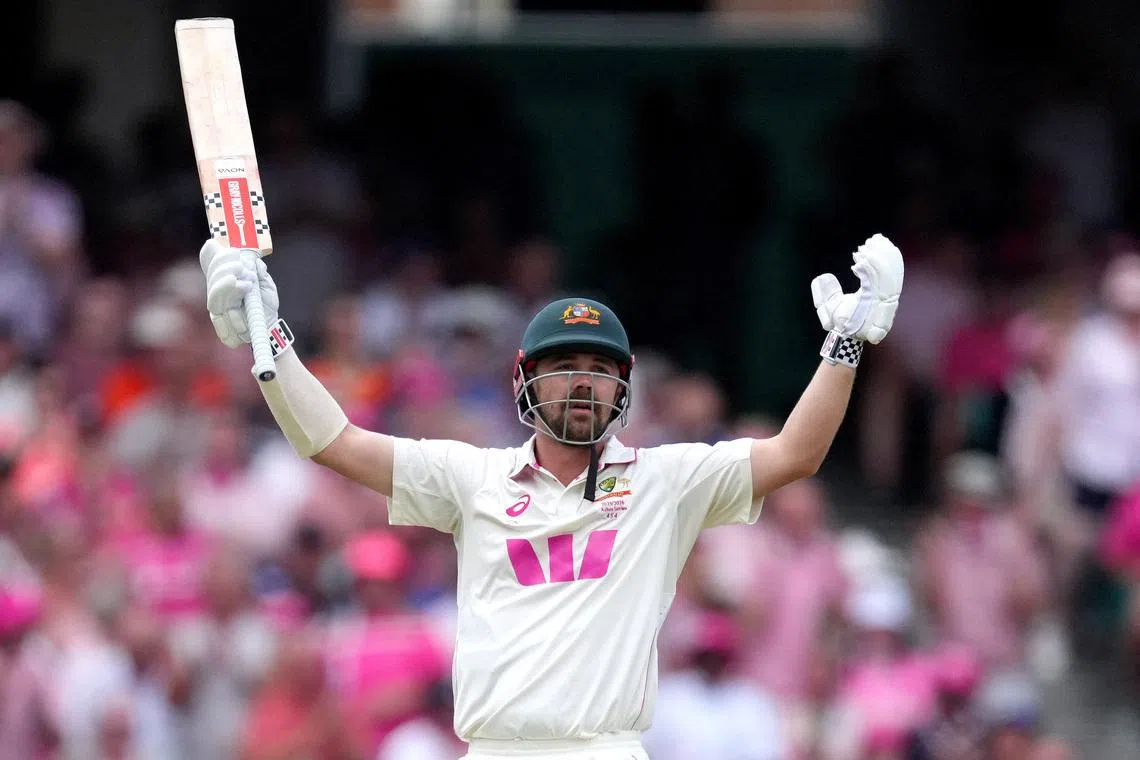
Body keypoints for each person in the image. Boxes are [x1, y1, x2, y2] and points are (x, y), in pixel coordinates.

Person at [197, 233, 904, 759]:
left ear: (624, 385)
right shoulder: (473, 477)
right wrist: (272, 341)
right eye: (563, 365)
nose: (582, 382)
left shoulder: (666, 481)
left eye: (599, 368)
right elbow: (336, 443)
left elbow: (795, 453)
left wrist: (844, 344)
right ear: (523, 378)